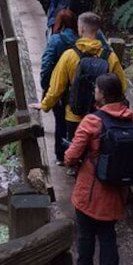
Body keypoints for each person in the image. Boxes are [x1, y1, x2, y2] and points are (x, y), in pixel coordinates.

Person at [64, 72, 133, 265]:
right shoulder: (132, 119)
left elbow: (71, 155)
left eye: (96, 89)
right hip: (117, 190)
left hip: (90, 190)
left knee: (86, 234)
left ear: (103, 94)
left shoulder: (93, 121)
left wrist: (75, 160)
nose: (94, 92)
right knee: (108, 235)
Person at [29, 12, 127, 161]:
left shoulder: (69, 55)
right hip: (100, 116)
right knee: (96, 150)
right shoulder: (110, 57)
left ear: (80, 28)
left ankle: (71, 165)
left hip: (74, 114)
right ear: (97, 30)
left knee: (75, 147)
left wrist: (44, 105)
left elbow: (56, 88)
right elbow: (121, 86)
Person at [40, 9, 79, 164]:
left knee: (60, 121)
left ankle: (61, 155)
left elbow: (46, 64)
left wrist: (46, 85)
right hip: (77, 89)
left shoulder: (56, 40)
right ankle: (75, 155)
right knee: (75, 121)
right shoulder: (81, 40)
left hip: (59, 87)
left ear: (59, 23)